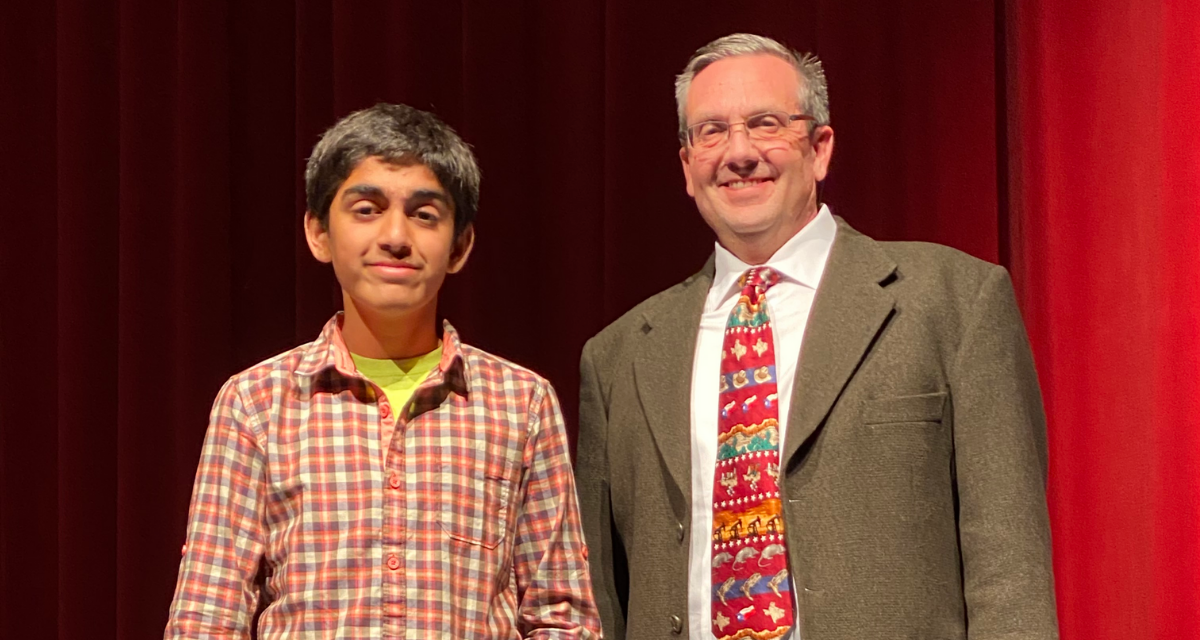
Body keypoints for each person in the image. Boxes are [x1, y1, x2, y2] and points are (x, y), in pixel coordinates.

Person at [575, 33, 1058, 639]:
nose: (739, 152)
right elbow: (598, 599)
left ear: (820, 148)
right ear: (687, 166)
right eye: (712, 132)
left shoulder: (953, 302)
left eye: (765, 124)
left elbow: (1010, 566)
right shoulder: (619, 356)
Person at [165, 103, 600, 639]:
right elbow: (206, 616)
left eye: (424, 214)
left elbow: (561, 616)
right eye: (367, 209)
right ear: (319, 233)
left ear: (460, 246)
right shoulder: (257, 401)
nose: (396, 235)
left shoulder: (521, 402)